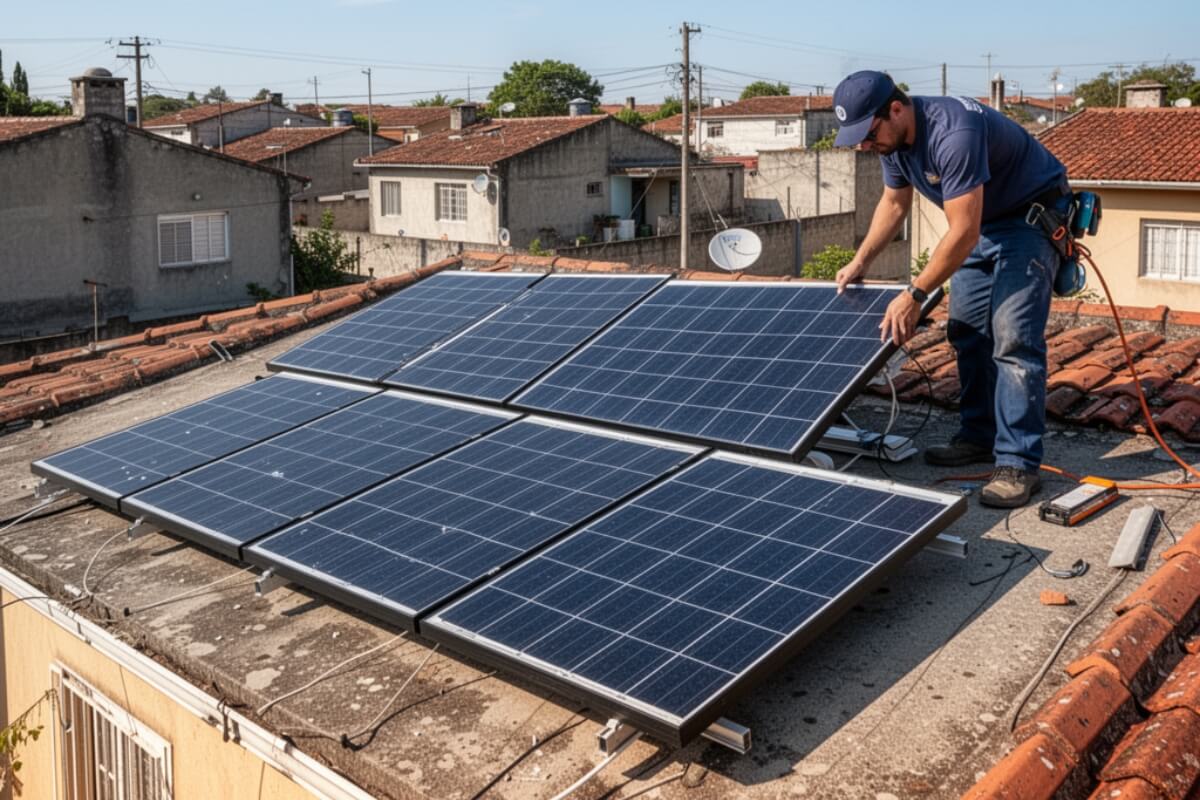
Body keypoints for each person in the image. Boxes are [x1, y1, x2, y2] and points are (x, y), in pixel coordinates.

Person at [830, 70, 1071, 508]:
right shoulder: (893, 140)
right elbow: (894, 202)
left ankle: (1018, 463)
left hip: (1028, 219)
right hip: (980, 223)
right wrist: (860, 260)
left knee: (1013, 337)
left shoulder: (953, 131)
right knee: (967, 331)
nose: (866, 145)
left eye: (868, 133)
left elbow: (962, 229)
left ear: (896, 109)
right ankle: (979, 436)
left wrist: (915, 294)